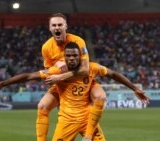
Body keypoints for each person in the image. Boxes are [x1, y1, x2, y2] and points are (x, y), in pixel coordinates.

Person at [0, 42, 150, 141]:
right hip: (67, 120)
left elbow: (114, 74)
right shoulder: (56, 72)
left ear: (80, 57)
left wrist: (135, 88)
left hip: (88, 119)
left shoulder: (91, 68)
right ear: (65, 57)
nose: (72, 59)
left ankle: (88, 136)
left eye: (74, 56)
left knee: (100, 97)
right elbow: (29, 76)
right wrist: (3, 83)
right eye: (68, 56)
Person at [37, 13, 108, 141]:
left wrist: (60, 76)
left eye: (60, 25)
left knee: (100, 96)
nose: (57, 27)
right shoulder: (46, 47)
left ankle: (88, 134)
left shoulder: (78, 41)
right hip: (64, 85)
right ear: (49, 28)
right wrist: (55, 73)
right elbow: (49, 71)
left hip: (82, 80)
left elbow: (85, 69)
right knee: (42, 106)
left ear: (66, 26)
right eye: (54, 25)